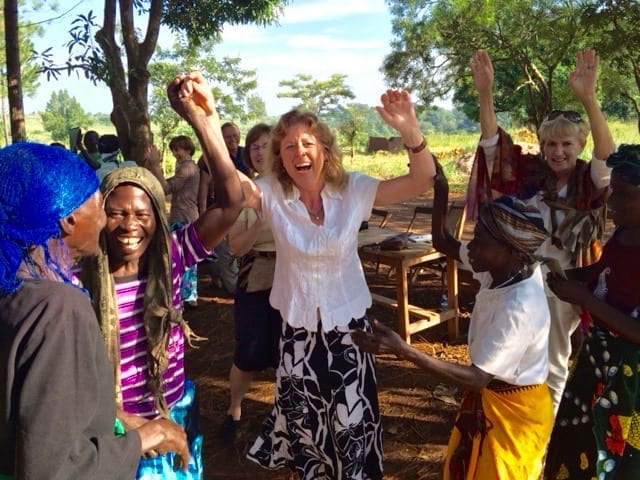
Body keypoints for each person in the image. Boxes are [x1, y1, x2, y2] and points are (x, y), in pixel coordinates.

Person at [189, 89, 436, 479]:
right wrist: (206, 121)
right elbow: (234, 188)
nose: (298, 152)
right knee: (307, 436)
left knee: (354, 431)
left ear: (324, 148)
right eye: (288, 146)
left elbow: (422, 178)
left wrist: (411, 130)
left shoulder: (353, 189)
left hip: (351, 333)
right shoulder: (271, 194)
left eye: (307, 143)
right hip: (299, 336)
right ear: (279, 157)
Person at [79, 72, 244, 479]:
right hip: (117, 432)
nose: (129, 224)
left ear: (158, 217)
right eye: (117, 213)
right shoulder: (80, 278)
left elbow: (230, 203)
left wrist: (203, 119)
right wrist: (126, 422)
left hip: (174, 408)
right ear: (101, 216)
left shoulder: (170, 256)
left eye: (141, 213)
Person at [0, 142, 189, 479]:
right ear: (70, 218)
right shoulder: (58, 308)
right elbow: (51, 468)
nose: (104, 220)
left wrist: (120, 419)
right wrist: (145, 437)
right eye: (100, 206)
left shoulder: (15, 287)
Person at [353, 164, 553, 479]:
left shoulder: (519, 306)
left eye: (480, 241)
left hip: (513, 412)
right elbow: (444, 242)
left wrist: (402, 349)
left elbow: (477, 378)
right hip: (496, 400)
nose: (470, 247)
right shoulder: (501, 270)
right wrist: (441, 190)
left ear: (512, 250)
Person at [468, 47, 616, 417]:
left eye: (567, 143)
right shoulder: (530, 173)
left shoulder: (587, 182)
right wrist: (485, 94)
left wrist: (590, 99)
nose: (557, 151)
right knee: (507, 353)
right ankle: (510, 416)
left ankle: (543, 432)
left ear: (579, 146)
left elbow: (607, 157)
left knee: (552, 361)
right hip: (519, 281)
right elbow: (493, 149)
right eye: (550, 143)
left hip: (562, 287)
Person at [544, 145, 640, 479]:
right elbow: (605, 274)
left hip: (630, 379)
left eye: (623, 195)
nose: (611, 203)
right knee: (579, 444)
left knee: (622, 455)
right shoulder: (625, 233)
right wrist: (570, 278)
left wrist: (584, 299)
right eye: (612, 191)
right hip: (597, 365)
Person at [218, 123, 282, 446]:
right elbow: (237, 247)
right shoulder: (246, 193)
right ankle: (235, 410)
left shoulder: (297, 188)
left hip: (293, 279)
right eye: (253, 146)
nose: (258, 151)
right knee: (248, 350)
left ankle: (286, 414)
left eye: (265, 145)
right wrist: (259, 216)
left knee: (289, 349)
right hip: (256, 277)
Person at [149, 134, 201, 308]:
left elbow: (166, 188)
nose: (175, 153)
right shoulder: (189, 167)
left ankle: (185, 296)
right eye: (174, 150)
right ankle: (189, 295)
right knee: (187, 257)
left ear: (187, 149)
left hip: (184, 217)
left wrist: (155, 164)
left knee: (180, 257)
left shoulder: (187, 168)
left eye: (177, 149)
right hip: (187, 215)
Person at [197, 121, 246, 294]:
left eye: (235, 135)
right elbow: (203, 186)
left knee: (241, 250)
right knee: (224, 251)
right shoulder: (212, 157)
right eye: (227, 136)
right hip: (222, 213)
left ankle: (230, 280)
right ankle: (231, 287)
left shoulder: (245, 154)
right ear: (220, 138)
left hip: (245, 213)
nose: (232, 139)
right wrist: (202, 212)